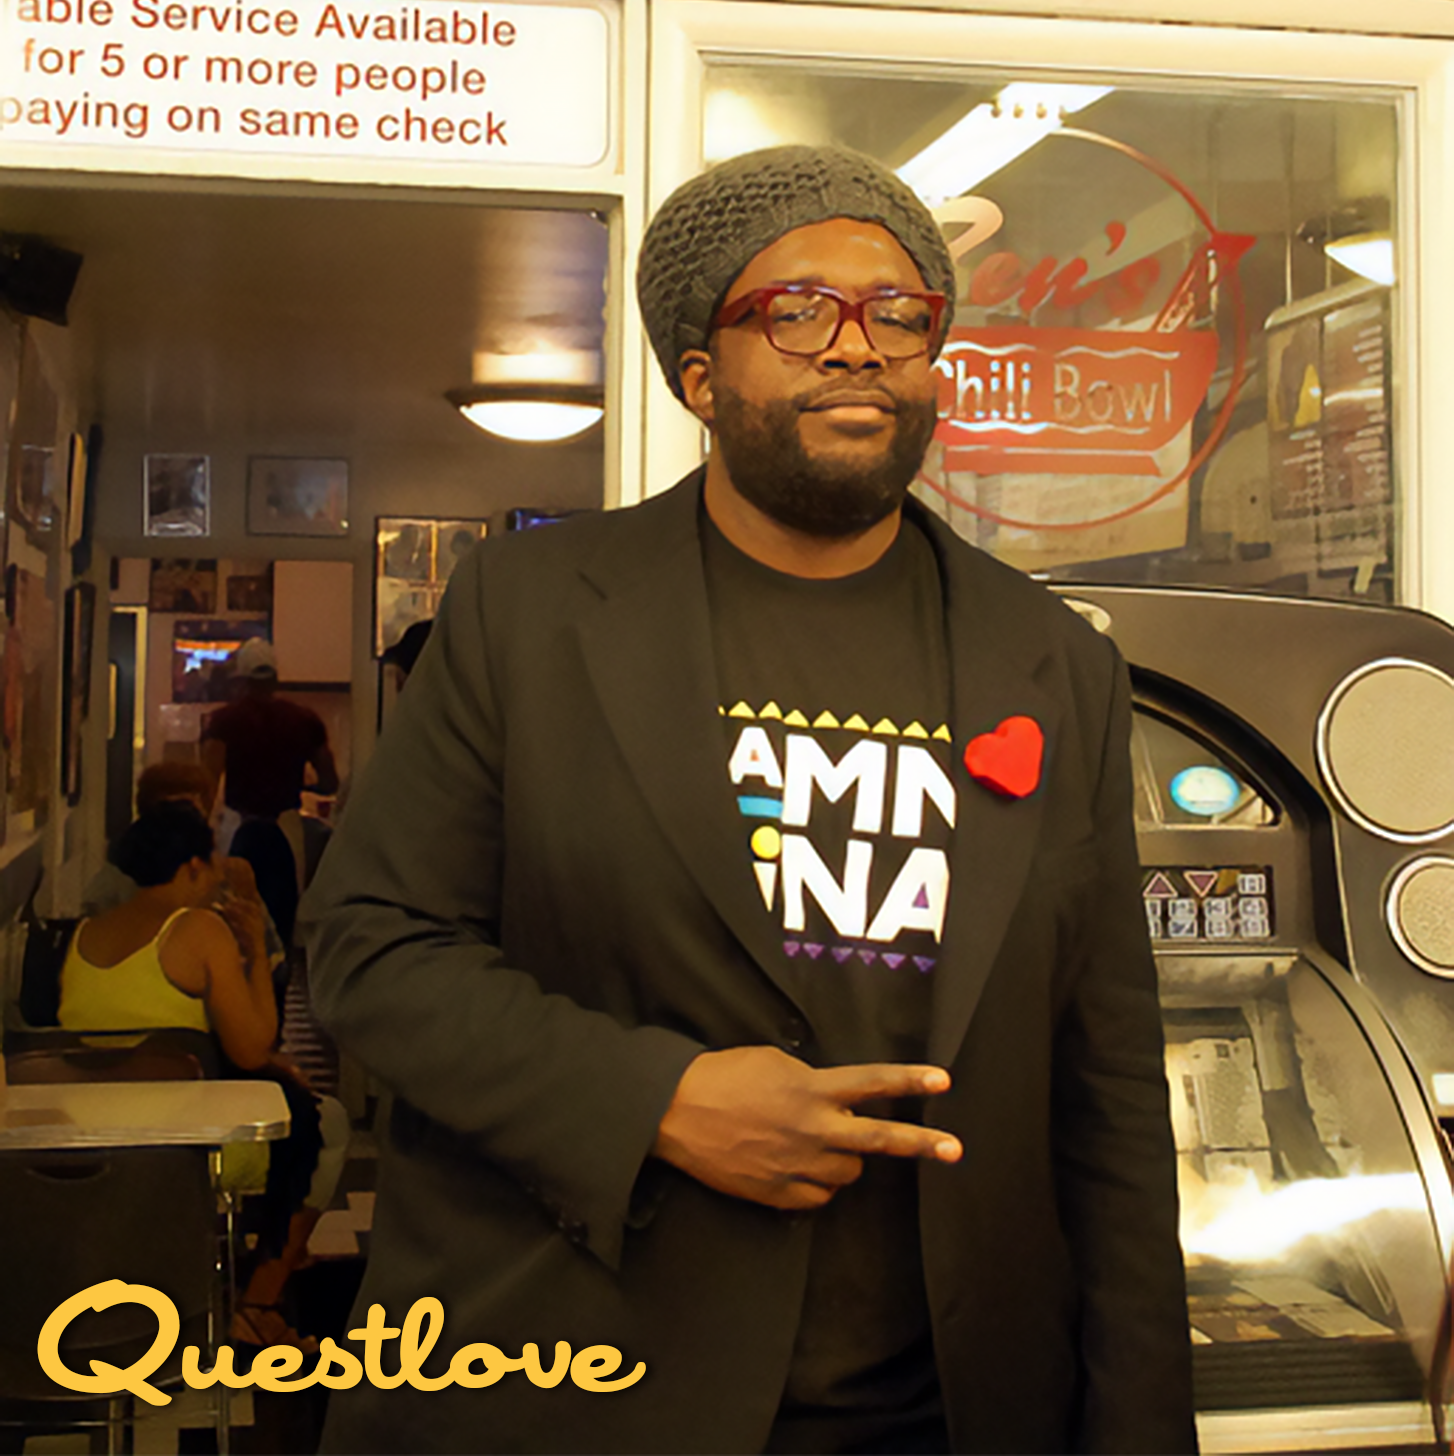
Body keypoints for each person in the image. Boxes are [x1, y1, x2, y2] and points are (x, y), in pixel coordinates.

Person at [304, 144, 1195, 1455]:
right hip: (582, 1382)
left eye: (899, 315)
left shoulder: (1053, 663)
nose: (856, 348)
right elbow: (369, 949)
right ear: (699, 375)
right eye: (796, 311)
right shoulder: (534, 614)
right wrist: (653, 1101)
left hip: (948, 1405)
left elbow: (1104, 1081)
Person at [60, 803, 347, 1356]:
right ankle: (257, 1305)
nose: (219, 870)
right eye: (212, 858)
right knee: (327, 1127)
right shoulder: (197, 929)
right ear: (191, 866)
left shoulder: (86, 934)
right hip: (186, 1149)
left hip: (94, 1148)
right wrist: (257, 957)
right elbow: (253, 1044)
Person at [202, 638, 339, 953]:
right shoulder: (305, 721)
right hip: (286, 831)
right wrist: (306, 787)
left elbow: (208, 783)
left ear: (242, 680)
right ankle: (277, 991)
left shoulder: (223, 721)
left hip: (238, 828)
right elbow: (330, 781)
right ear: (276, 678)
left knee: (234, 923)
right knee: (283, 926)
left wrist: (200, 834)